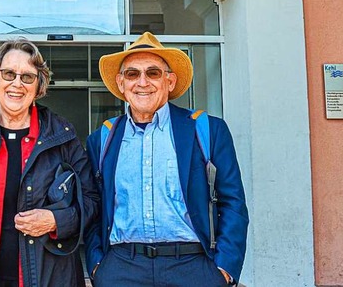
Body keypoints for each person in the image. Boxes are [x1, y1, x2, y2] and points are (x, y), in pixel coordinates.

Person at [84, 32, 249, 286]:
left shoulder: (207, 129)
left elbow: (233, 202)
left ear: (169, 81)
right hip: (121, 267)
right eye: (132, 74)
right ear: (120, 83)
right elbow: (93, 205)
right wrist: (98, 265)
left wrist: (224, 268)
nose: (142, 82)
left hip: (193, 267)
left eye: (153, 73)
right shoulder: (102, 138)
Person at [0, 38, 99, 287]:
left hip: (48, 278)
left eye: (27, 77)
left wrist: (56, 220)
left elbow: (92, 203)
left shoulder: (61, 135)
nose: (17, 84)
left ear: (38, 84)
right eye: (8, 74)